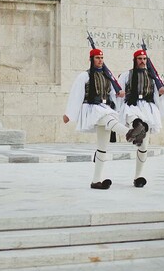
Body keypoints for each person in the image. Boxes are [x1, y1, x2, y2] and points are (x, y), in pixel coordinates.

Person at [63, 48, 147, 190]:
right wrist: (69, 114)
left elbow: (112, 93)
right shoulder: (84, 76)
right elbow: (76, 95)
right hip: (92, 109)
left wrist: (119, 94)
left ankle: (96, 181)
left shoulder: (107, 76)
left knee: (102, 147)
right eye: (97, 58)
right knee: (109, 119)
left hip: (104, 106)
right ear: (91, 59)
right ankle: (130, 133)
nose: (100, 60)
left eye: (101, 58)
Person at [116, 49, 164, 188]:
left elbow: (158, 94)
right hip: (132, 104)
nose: (142, 61)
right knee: (133, 117)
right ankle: (138, 127)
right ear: (135, 60)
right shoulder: (127, 74)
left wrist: (162, 92)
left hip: (147, 107)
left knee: (144, 146)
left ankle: (138, 177)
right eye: (140, 58)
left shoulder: (153, 77)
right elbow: (118, 90)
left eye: (144, 59)